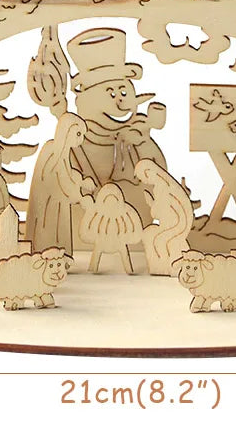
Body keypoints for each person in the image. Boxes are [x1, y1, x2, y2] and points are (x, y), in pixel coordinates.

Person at [67, 27, 168, 224]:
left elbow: (159, 173)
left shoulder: (135, 135)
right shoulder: (77, 144)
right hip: (90, 228)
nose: (120, 102)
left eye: (123, 93)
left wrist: (144, 140)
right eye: (111, 94)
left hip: (138, 225)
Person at [27, 113, 95, 255]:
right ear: (67, 130)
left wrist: (81, 182)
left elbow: (66, 173)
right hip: (49, 204)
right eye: (78, 134)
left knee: (59, 232)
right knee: (49, 233)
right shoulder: (52, 150)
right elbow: (60, 181)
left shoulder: (62, 152)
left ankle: (60, 256)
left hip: (58, 203)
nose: (81, 140)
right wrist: (79, 197)